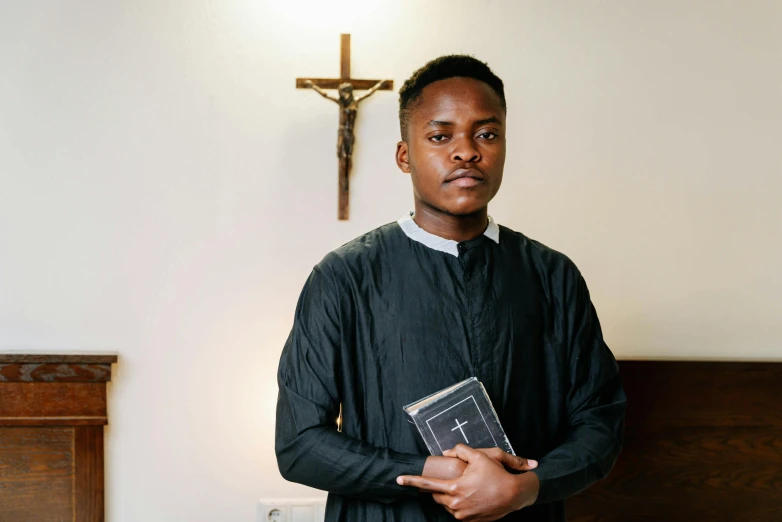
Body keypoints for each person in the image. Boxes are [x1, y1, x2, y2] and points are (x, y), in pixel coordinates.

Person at [276, 55, 626, 522]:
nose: (467, 152)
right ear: (405, 156)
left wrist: (523, 488)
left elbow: (599, 423)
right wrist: (430, 470)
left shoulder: (553, 276)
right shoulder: (345, 276)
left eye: (486, 133)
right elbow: (299, 444)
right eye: (440, 136)